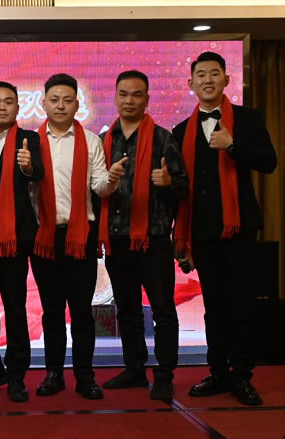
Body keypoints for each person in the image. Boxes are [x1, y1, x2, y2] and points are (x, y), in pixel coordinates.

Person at [172, 52, 276, 406]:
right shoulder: (180, 131)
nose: (208, 80)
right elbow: (181, 186)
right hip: (201, 230)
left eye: (214, 73)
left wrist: (232, 145)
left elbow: (269, 162)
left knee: (241, 303)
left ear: (226, 80)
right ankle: (217, 371)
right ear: (191, 83)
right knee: (213, 305)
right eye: (201, 75)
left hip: (239, 227)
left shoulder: (247, 119)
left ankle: (242, 375)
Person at [30, 73, 126, 400]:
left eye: (67, 100)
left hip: (80, 237)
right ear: (43, 103)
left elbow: (99, 186)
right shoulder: (31, 144)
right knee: (52, 312)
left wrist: (112, 179)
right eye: (54, 99)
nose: (61, 105)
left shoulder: (91, 142)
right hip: (44, 239)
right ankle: (53, 374)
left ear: (77, 104)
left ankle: (85, 375)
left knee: (83, 312)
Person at [98, 70, 188, 400]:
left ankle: (164, 374)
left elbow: (184, 188)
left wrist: (168, 183)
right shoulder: (104, 140)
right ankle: (134, 368)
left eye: (137, 94)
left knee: (163, 310)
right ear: (115, 97)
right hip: (117, 239)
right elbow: (96, 188)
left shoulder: (163, 138)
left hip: (154, 239)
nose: (129, 100)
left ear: (147, 99)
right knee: (127, 310)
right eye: (123, 94)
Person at [0, 81, 44, 402]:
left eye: (8, 101)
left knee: (15, 308)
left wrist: (28, 166)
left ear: (18, 107)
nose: (2, 107)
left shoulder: (29, 139)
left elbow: (39, 173)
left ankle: (16, 375)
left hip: (15, 238)